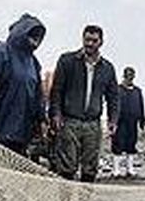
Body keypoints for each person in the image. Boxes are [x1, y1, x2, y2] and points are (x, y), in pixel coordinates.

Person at [48, 25, 120, 183]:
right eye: (87, 39)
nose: (89, 44)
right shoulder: (67, 61)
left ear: (101, 42)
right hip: (69, 122)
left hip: (93, 124)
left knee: (90, 169)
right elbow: (57, 90)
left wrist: (113, 120)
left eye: (94, 40)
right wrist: (56, 114)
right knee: (66, 168)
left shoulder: (107, 68)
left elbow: (113, 97)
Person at [0, 13, 48, 156]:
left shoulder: (34, 62)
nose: (36, 38)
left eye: (39, 36)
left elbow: (39, 95)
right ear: (21, 31)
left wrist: (41, 119)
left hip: (23, 133)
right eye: (33, 33)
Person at [112, 67, 145, 177]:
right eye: (127, 76)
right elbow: (113, 106)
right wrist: (113, 121)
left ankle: (129, 169)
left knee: (131, 145)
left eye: (131, 76)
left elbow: (141, 106)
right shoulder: (118, 90)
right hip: (120, 122)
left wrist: (142, 120)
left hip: (133, 122)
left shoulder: (137, 91)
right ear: (124, 76)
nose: (129, 78)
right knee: (118, 145)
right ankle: (116, 170)